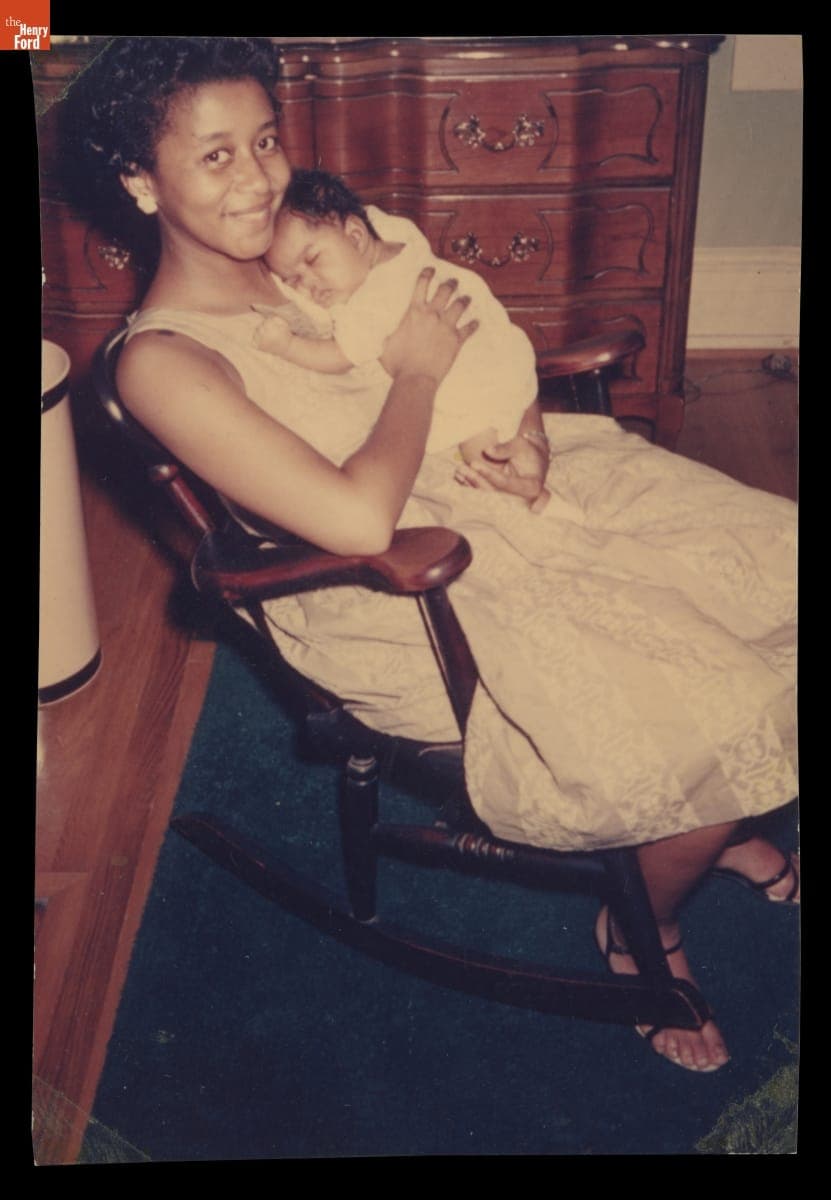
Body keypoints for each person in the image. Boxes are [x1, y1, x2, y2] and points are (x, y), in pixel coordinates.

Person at [61, 36, 798, 1075]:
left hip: (494, 492)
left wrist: (528, 432)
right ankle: (642, 924)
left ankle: (692, 838)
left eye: (265, 140)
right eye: (216, 156)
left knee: (772, 574)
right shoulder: (162, 362)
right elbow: (362, 521)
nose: (263, 175)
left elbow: (470, 351)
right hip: (407, 589)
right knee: (713, 728)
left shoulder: (302, 247)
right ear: (140, 180)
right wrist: (414, 370)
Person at [255, 169, 549, 509]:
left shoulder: (371, 303)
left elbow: (338, 356)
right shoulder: (394, 233)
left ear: (355, 235)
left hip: (471, 384)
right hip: (505, 354)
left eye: (313, 260)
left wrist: (286, 345)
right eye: (292, 280)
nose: (308, 286)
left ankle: (533, 501)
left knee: (486, 462)